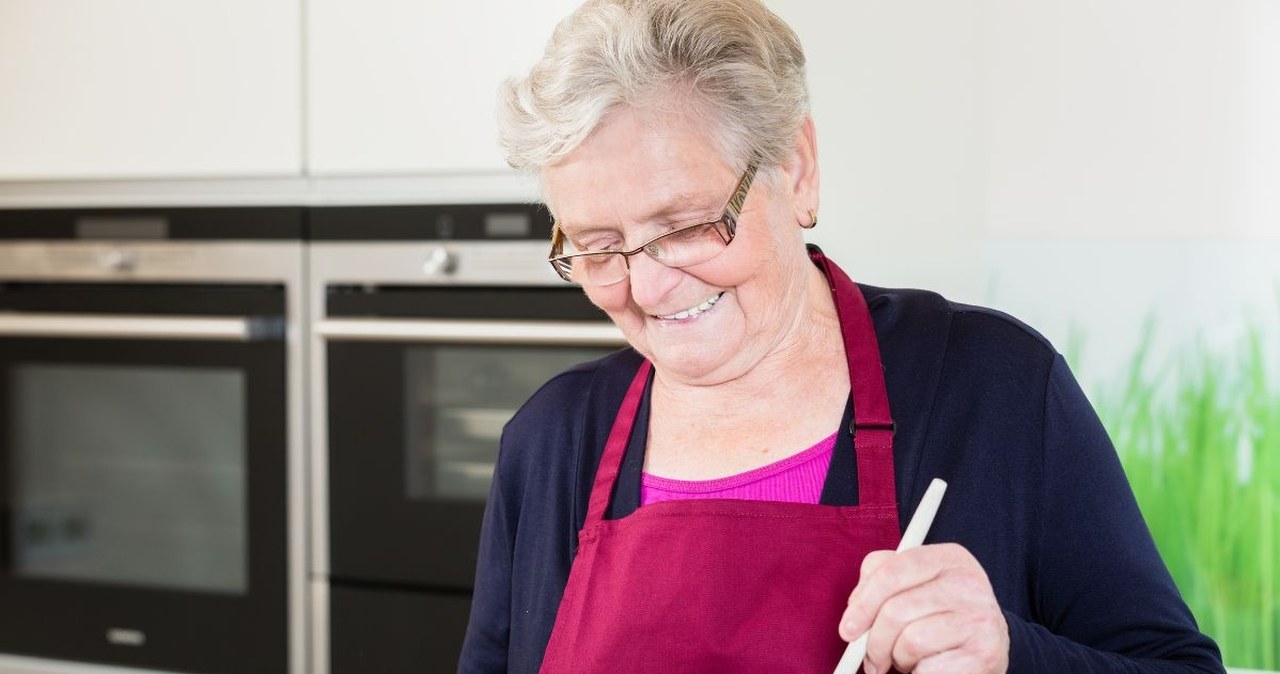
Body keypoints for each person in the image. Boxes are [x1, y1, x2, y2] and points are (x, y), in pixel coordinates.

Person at [458, 1, 1225, 672]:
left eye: (688, 226)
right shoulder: (551, 442)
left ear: (796, 169)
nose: (649, 286)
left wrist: (1012, 655)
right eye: (597, 246)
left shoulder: (995, 389)